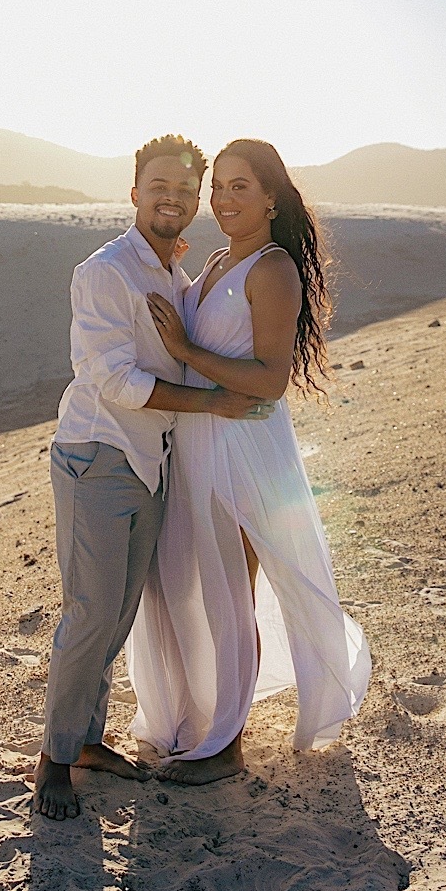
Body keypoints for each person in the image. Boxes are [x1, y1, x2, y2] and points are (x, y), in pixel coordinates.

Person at [35, 135, 268, 820]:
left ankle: (83, 740)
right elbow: (110, 379)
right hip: (97, 456)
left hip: (152, 462)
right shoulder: (105, 272)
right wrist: (212, 404)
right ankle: (53, 759)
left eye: (185, 189)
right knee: (89, 613)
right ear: (134, 193)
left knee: (119, 613)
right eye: (158, 185)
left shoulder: (169, 273)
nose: (173, 197)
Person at [128, 138, 371, 783]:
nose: (225, 199)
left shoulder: (273, 270)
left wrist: (182, 345)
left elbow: (268, 380)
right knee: (196, 586)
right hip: (197, 445)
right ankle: (202, 719)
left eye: (241, 187)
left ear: (270, 198)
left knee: (232, 592)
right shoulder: (213, 263)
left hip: (243, 449)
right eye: (220, 186)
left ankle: (227, 747)